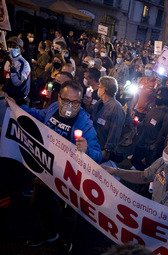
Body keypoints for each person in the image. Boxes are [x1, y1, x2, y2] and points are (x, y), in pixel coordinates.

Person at [10, 80, 102, 251]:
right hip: (47, 168)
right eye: (66, 100)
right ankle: (49, 232)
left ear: (80, 103)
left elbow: (98, 154)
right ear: (59, 98)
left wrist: (87, 149)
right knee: (37, 202)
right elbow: (39, 115)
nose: (70, 105)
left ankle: (66, 241)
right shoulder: (52, 109)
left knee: (67, 211)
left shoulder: (85, 123)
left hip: (68, 176)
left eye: (75, 102)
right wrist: (19, 108)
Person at [131, 86, 168, 171]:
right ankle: (142, 175)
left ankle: (145, 182)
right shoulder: (151, 106)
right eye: (157, 95)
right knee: (134, 160)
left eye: (160, 96)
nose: (157, 97)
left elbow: (163, 133)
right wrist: (137, 123)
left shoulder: (166, 114)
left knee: (150, 168)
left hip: (152, 146)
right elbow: (145, 122)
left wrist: (155, 145)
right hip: (143, 141)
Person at [90, 76, 125, 162]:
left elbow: (115, 132)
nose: (98, 89)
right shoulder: (100, 103)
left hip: (102, 150)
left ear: (105, 89)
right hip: (94, 144)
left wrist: (107, 150)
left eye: (100, 87)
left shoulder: (116, 108)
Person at [3, 36, 31, 106]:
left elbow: (17, 82)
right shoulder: (7, 62)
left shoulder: (24, 63)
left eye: (14, 46)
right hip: (9, 99)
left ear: (20, 49)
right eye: (9, 46)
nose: (11, 48)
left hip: (20, 101)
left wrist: (12, 63)